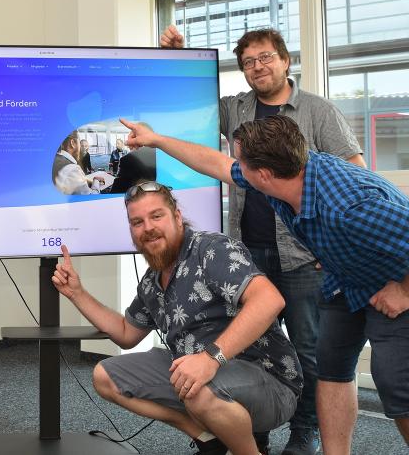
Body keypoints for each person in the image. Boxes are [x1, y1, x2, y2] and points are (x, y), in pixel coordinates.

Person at [121, 115, 409, 454]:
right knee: (332, 370)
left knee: (395, 381)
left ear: (264, 175)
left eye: (242, 162)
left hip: (392, 279)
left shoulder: (350, 205)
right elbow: (216, 164)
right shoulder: (287, 174)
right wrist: (156, 140)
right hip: (344, 279)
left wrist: (402, 289)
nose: (236, 169)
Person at [161, 25, 365, 454]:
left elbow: (356, 174)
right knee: (248, 346)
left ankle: (305, 432)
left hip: (304, 256)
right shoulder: (236, 109)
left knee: (310, 351)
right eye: (249, 62)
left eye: (266, 57)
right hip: (246, 255)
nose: (258, 67)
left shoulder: (317, 111)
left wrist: (339, 243)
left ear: (285, 60)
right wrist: (180, 56)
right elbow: (187, 104)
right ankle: (250, 431)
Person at [53, 180, 300, 455]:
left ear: (177, 217)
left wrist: (210, 359)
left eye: (156, 216)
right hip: (200, 377)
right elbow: (125, 334)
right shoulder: (151, 282)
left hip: (270, 382)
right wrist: (76, 293)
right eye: (137, 222)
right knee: (104, 376)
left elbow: (270, 300)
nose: (148, 228)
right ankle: (207, 438)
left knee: (198, 387)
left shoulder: (211, 250)